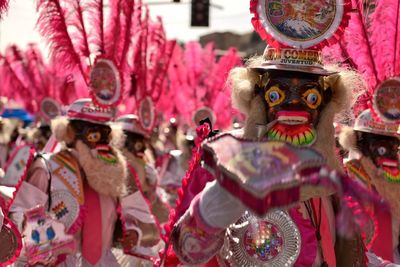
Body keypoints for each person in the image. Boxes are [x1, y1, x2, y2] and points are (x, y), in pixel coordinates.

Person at [169, 46, 366, 266]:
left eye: (310, 96)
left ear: (325, 105)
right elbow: (183, 251)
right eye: (277, 95)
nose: (293, 104)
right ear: (258, 99)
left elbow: (347, 253)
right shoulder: (222, 154)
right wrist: (231, 189)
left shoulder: (327, 163)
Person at [9, 98, 142, 266]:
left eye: (104, 134)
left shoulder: (112, 172)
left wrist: (133, 231)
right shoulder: (46, 167)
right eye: (92, 134)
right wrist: (41, 247)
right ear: (69, 132)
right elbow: (19, 213)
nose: (98, 144)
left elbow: (130, 215)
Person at [340, 109, 400, 263]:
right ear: (358, 141)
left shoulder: (394, 179)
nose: (385, 149)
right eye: (377, 140)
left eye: (391, 142)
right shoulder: (346, 180)